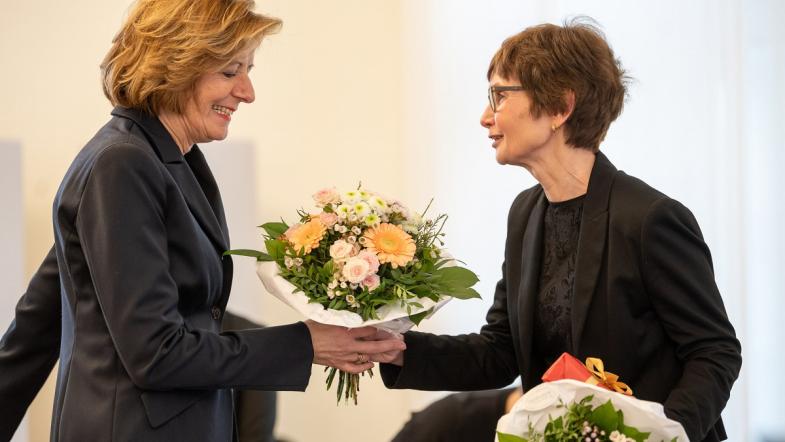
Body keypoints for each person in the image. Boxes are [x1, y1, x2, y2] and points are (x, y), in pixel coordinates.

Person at [0, 0, 405, 441]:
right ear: (175, 64)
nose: (247, 92)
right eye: (231, 72)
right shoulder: (122, 164)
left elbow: (42, 320)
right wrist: (305, 343)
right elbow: (156, 353)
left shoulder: (165, 159)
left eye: (248, 70)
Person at [372, 18, 741, 442]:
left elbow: (715, 353)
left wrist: (661, 433)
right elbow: (499, 353)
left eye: (499, 95)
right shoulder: (525, 213)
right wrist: (392, 346)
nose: (484, 116)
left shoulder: (650, 217)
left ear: (560, 108)